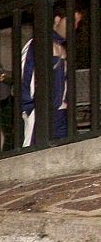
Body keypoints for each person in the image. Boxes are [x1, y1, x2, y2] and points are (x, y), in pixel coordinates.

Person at [21, 8, 75, 147]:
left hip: (60, 111)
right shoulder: (37, 44)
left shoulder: (61, 47)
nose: (74, 26)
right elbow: (27, 77)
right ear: (57, 20)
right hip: (41, 110)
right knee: (34, 153)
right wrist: (31, 107)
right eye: (72, 21)